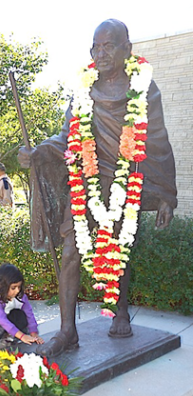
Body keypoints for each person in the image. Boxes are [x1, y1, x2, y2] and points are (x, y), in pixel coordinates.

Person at [18, 19, 177, 356]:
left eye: (109, 45)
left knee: (119, 249)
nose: (101, 53)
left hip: (124, 179)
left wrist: (166, 195)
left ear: (127, 49)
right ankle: (67, 331)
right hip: (86, 181)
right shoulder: (83, 89)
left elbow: (158, 141)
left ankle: (120, 312)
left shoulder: (145, 89)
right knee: (72, 249)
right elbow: (66, 137)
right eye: (96, 46)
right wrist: (40, 153)